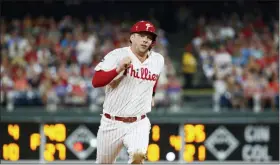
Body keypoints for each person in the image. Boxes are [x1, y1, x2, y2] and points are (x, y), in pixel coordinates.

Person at [92, 21, 165, 164]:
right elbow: (96, 81)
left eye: (149, 37)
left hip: (139, 123)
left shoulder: (158, 60)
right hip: (111, 122)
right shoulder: (117, 55)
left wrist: (152, 95)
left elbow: (155, 78)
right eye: (142, 35)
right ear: (132, 37)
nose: (145, 40)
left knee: (137, 158)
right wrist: (118, 69)